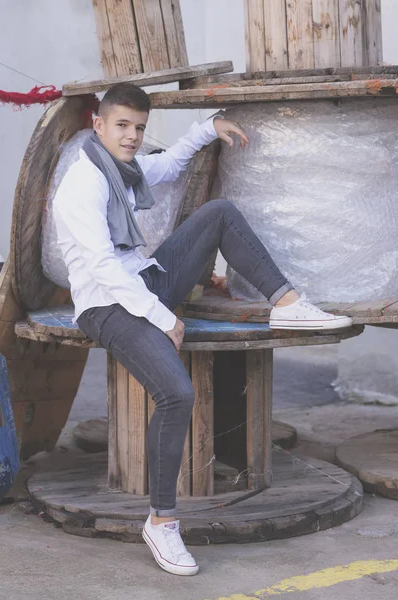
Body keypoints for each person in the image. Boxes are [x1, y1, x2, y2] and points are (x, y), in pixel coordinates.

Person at [53, 83, 353, 576]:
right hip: (109, 306)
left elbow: (167, 167)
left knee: (219, 215)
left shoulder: (121, 168)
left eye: (139, 128)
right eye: (122, 126)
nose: (131, 137)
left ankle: (288, 304)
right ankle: (162, 521)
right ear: (98, 125)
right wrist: (162, 316)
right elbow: (104, 271)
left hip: (142, 282)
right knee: (176, 393)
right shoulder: (82, 186)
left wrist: (206, 128)